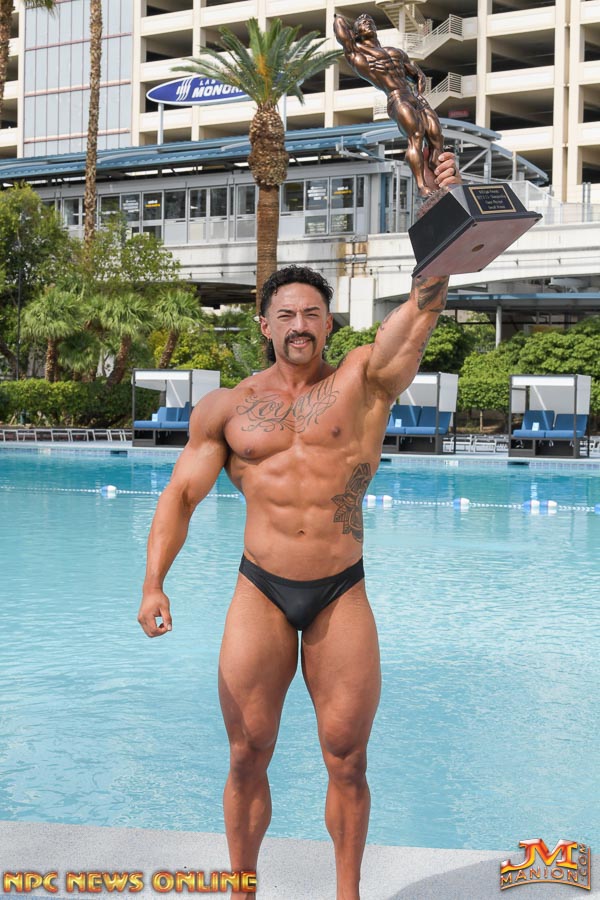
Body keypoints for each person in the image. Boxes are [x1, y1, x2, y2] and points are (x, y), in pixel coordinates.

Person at [137, 152, 460, 900]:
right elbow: (180, 497)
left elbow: (422, 307)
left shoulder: (363, 380)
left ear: (329, 323)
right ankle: (242, 889)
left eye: (312, 313)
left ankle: (346, 895)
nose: (300, 324)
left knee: (347, 759)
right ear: (265, 325)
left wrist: (438, 209)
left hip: (340, 589)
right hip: (261, 589)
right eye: (285, 314)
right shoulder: (225, 409)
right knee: (247, 753)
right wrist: (153, 583)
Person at [334, 13, 446, 198]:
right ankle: (421, 186)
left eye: (370, 21)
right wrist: (339, 17)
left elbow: (416, 74)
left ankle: (438, 177)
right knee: (416, 136)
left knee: (436, 135)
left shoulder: (396, 52)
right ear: (355, 32)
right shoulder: (358, 54)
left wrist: (419, 83)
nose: (367, 23)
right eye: (362, 23)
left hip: (414, 97)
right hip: (396, 98)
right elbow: (341, 30)